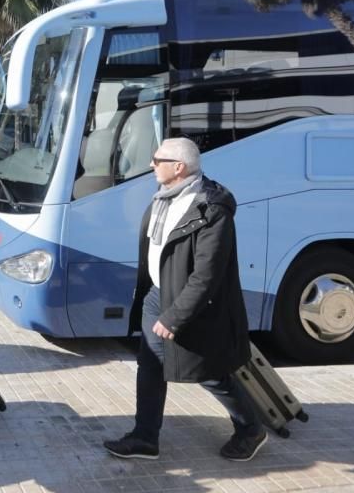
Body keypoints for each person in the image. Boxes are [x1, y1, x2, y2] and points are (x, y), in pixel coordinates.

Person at [103, 137, 265, 462]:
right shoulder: (163, 199)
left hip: (191, 306)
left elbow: (207, 274)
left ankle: (251, 429)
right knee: (149, 364)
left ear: (178, 167)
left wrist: (175, 316)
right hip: (156, 295)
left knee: (207, 371)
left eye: (156, 159)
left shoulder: (212, 210)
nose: (151, 164)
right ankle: (145, 437)